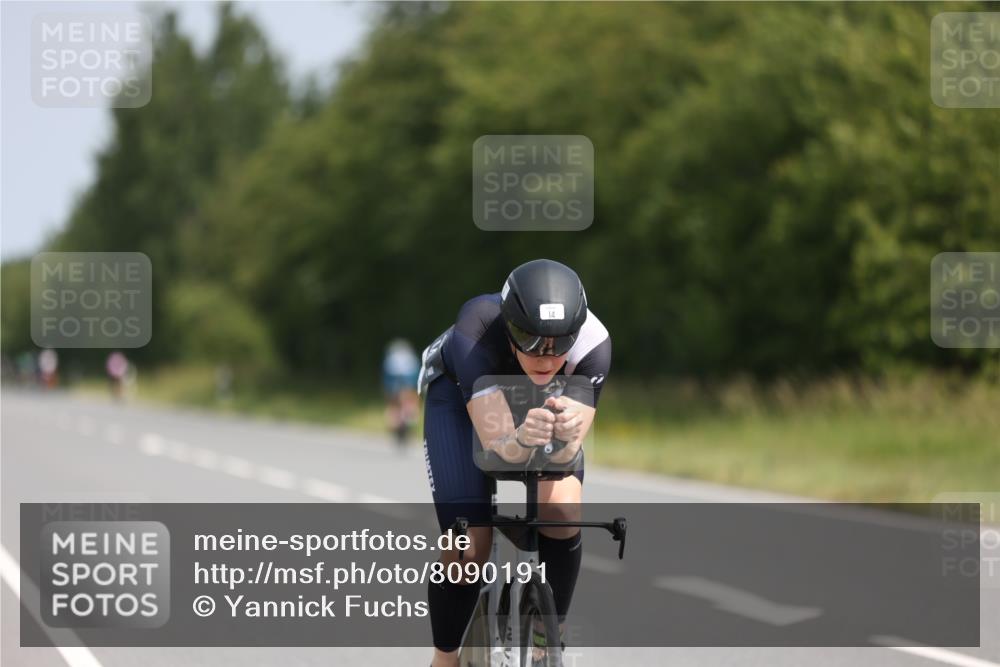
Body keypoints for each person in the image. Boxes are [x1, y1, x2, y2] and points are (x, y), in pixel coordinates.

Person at [419, 259, 611, 667]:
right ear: (509, 327)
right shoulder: (475, 330)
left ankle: (549, 634)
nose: (546, 355)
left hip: (535, 404)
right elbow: (497, 447)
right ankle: (444, 657)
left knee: (561, 509)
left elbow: (564, 453)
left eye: (561, 343)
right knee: (468, 546)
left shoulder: (594, 344)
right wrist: (521, 438)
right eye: (530, 339)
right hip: (459, 399)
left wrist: (562, 434)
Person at [382, 338, 420, 446]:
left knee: (393, 404)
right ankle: (409, 418)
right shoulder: (410, 357)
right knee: (410, 401)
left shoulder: (391, 358)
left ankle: (395, 421)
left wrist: (388, 391)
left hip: (394, 382)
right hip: (408, 381)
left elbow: (386, 377)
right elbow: (415, 375)